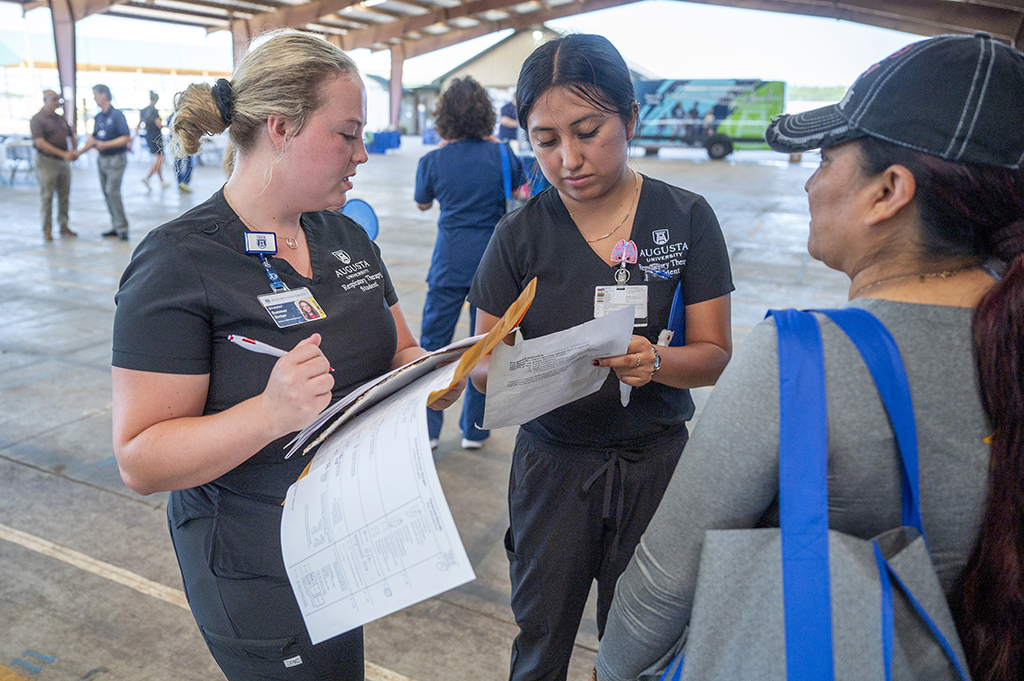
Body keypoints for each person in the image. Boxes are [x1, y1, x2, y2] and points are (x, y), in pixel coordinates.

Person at [595, 33, 1024, 681]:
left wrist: (611, 667)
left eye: (825, 158)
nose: (810, 182)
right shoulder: (1005, 336)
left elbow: (659, 589)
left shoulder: (804, 358)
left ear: (889, 192)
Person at [110, 30, 464, 681]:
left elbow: (401, 350)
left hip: (348, 547)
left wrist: (439, 374)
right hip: (257, 569)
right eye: (347, 133)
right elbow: (140, 458)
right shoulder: (179, 262)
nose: (361, 153)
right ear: (280, 127)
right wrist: (268, 413)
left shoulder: (347, 234)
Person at [467, 34, 734, 680]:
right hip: (553, 465)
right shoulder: (520, 235)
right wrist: (535, 371)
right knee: (541, 632)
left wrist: (658, 364)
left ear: (630, 118)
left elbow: (715, 352)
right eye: (546, 140)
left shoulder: (686, 218)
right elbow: (480, 359)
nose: (569, 159)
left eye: (588, 131)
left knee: (640, 644)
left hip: (656, 466)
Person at [415, 76, 525, 451]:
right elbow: (520, 192)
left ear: (443, 116)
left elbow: (423, 203)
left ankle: (428, 429)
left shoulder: (433, 159)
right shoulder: (503, 154)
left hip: (448, 264)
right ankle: (474, 430)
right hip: (494, 267)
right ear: (486, 114)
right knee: (487, 346)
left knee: (435, 347)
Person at [79, 84, 131, 241]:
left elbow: (126, 138)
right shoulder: (99, 117)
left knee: (112, 191)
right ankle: (115, 226)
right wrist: (78, 153)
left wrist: (106, 145)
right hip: (102, 159)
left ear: (104, 95)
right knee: (106, 193)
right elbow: (93, 139)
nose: (94, 98)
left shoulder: (117, 116)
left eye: (95, 94)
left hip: (116, 159)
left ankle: (122, 227)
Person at [29, 89, 78, 241]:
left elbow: (71, 135)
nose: (57, 102)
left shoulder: (60, 119)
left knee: (64, 195)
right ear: (45, 100)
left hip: (62, 163)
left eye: (58, 99)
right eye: (54, 99)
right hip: (46, 162)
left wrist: (73, 151)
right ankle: (47, 229)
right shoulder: (38, 119)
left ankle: (63, 225)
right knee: (47, 196)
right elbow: (40, 142)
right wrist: (64, 154)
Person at [138, 90, 169, 189]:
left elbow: (140, 124)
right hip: (156, 137)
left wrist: (133, 136)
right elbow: (158, 124)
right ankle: (147, 177)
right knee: (160, 158)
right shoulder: (154, 111)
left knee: (158, 159)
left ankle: (161, 181)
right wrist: (166, 125)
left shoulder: (143, 110)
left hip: (148, 136)